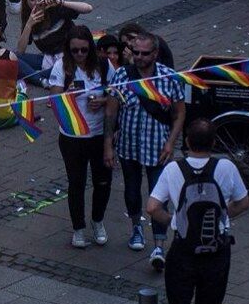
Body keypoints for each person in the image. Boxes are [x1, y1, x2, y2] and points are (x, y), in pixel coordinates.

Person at [147, 117, 249, 304]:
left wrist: (175, 220)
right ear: (213, 143)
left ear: (188, 142)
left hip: (182, 252)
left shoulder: (173, 169)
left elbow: (152, 207)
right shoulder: (226, 168)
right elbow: (243, 202)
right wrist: (221, 215)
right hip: (216, 253)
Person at [117, 25, 189, 269]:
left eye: (144, 53)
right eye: (135, 52)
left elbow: (180, 113)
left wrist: (171, 142)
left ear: (155, 54)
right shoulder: (122, 75)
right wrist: (108, 143)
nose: (139, 57)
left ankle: (158, 245)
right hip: (128, 146)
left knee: (159, 199)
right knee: (132, 192)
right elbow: (111, 111)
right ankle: (136, 227)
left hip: (158, 148)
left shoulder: (168, 78)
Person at [49, 23, 119, 249]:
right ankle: (78, 228)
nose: (79, 55)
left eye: (83, 50)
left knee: (102, 182)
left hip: (99, 134)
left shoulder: (104, 66)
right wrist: (66, 97)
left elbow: (116, 94)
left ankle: (97, 221)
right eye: (74, 50)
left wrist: (105, 100)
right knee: (76, 183)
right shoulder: (62, 68)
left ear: (91, 48)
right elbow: (54, 102)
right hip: (72, 136)